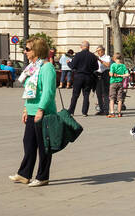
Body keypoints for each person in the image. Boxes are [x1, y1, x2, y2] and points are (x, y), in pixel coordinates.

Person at [9, 36, 57, 187]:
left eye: (28, 49)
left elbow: (48, 92)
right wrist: (25, 108)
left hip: (43, 112)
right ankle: (24, 174)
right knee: (28, 143)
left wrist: (41, 110)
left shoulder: (47, 67)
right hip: (31, 110)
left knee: (43, 146)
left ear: (36, 50)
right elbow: (30, 90)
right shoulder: (33, 67)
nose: (25, 52)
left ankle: (42, 177)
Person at [68, 41, 100, 117]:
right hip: (89, 77)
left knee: (75, 95)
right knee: (86, 95)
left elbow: (72, 66)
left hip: (79, 76)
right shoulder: (92, 56)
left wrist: (68, 63)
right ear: (88, 47)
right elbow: (96, 67)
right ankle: (84, 112)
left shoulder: (78, 55)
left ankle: (71, 111)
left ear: (81, 47)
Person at [94, 46, 111, 115]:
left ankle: (106, 110)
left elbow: (107, 65)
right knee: (98, 93)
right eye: (97, 51)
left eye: (99, 50)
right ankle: (101, 109)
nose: (98, 52)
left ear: (103, 50)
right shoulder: (97, 58)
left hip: (105, 75)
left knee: (105, 93)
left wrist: (99, 60)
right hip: (97, 75)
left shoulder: (107, 57)